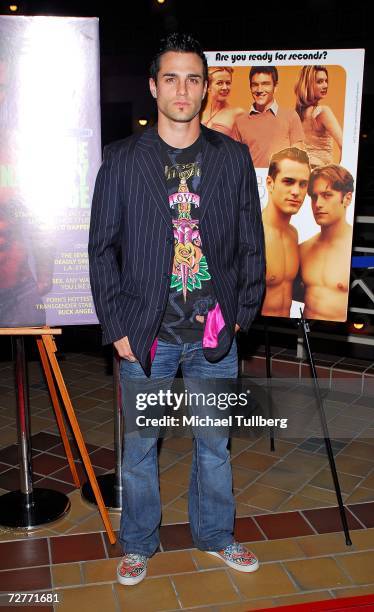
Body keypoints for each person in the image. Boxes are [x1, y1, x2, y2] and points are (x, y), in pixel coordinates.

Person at [88, 33, 265, 586]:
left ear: (205, 88)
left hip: (215, 333)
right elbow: (101, 250)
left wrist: (241, 313)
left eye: (193, 78)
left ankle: (216, 534)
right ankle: (139, 544)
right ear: (152, 87)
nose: (182, 89)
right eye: (171, 78)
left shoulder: (232, 158)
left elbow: (249, 243)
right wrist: (116, 328)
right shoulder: (120, 160)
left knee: (214, 446)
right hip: (146, 336)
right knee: (140, 451)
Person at [0, 47, 53, 326]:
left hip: (19, 289)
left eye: (3, 87)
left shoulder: (22, 144)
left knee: (38, 332)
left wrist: (45, 270)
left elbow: (41, 211)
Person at [300, 164, 354, 321]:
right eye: (314, 197)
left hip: (342, 341)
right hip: (306, 339)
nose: (318, 204)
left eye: (327, 195)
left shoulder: (358, 253)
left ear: (347, 199)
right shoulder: (303, 250)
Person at [261, 147, 310, 317]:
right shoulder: (252, 232)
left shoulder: (292, 234)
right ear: (270, 183)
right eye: (288, 181)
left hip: (284, 333)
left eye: (303, 184)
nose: (296, 192)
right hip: (251, 336)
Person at [233, 66, 304, 168]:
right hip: (251, 182)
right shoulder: (240, 122)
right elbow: (236, 162)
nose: (259, 89)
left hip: (280, 182)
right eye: (255, 85)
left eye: (265, 84)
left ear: (275, 87)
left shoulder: (291, 116)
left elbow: (299, 160)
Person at [295, 65, 343, 167]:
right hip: (320, 174)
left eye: (326, 81)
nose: (325, 85)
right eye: (320, 82)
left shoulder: (296, 114)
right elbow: (344, 145)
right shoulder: (322, 112)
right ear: (308, 85)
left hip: (302, 172)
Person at [201, 66, 245, 138]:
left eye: (228, 83)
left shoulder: (238, 114)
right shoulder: (202, 114)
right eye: (220, 83)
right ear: (208, 87)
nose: (225, 88)